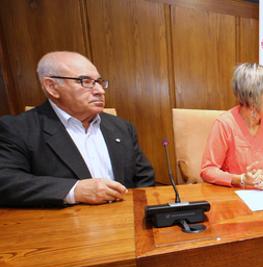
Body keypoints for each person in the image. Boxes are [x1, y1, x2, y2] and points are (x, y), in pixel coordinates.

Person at [0, 51, 154, 208]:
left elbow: (144, 177)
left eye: (99, 82)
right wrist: (74, 191)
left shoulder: (121, 127)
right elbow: (5, 181)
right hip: (62, 226)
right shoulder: (17, 129)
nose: (100, 90)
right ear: (52, 87)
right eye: (85, 81)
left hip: (124, 220)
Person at [201, 63, 263, 189]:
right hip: (231, 196)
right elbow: (208, 170)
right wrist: (241, 179)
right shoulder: (224, 124)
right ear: (251, 96)